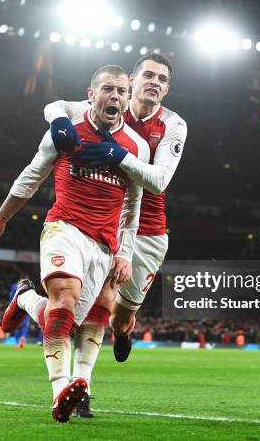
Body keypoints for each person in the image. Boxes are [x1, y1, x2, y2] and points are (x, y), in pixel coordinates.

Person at [10, 54, 186, 416]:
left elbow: (159, 181)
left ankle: (118, 330)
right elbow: (57, 106)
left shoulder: (171, 124)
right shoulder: (108, 100)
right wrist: (58, 118)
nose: (154, 83)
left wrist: (117, 155)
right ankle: (80, 388)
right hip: (100, 226)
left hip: (148, 232)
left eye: (162, 79)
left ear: (167, 89)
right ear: (133, 80)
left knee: (118, 317)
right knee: (82, 309)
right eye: (148, 76)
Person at [0, 65, 149, 422]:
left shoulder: (136, 147)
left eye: (122, 92)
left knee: (95, 313)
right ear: (91, 93)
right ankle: (60, 392)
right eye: (108, 89)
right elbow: (32, 175)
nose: (115, 96)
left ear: (128, 99)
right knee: (65, 299)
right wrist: (1, 218)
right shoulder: (66, 131)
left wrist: (125, 253)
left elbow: (133, 206)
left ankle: (27, 302)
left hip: (104, 243)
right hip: (63, 228)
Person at [9, 281, 29, 348]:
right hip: (26, 306)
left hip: (17, 307)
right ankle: (23, 337)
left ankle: (17, 342)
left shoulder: (14, 286)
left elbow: (11, 297)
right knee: (25, 324)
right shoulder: (29, 286)